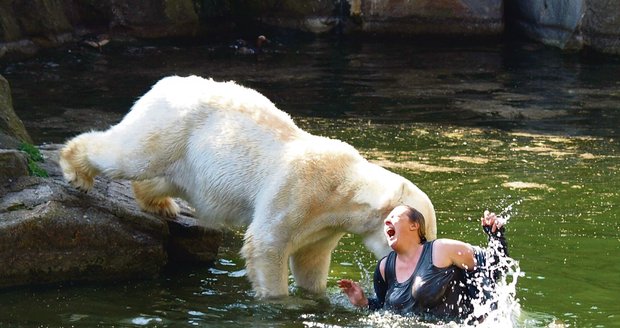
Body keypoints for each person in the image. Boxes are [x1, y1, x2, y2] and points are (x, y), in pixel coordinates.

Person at [338, 205, 509, 322]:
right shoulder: (384, 268)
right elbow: (383, 309)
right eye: (385, 221)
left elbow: (494, 268)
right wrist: (364, 302)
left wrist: (496, 236)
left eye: (394, 216)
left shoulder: (442, 249)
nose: (386, 222)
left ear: (414, 225)